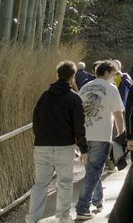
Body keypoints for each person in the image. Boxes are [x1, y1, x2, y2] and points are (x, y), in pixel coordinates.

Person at [26, 61, 87, 223]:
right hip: (64, 146)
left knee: (40, 184)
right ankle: (63, 217)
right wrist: (83, 148)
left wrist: (40, 138)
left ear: (57, 75)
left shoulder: (44, 96)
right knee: (65, 182)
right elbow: (79, 126)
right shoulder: (74, 98)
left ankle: (32, 218)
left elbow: (36, 121)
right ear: (73, 77)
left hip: (42, 146)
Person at [74, 61, 126, 220]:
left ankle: (97, 199)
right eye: (114, 73)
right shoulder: (110, 89)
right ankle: (82, 207)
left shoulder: (85, 87)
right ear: (106, 72)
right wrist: (121, 134)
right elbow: (118, 113)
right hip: (101, 134)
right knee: (95, 170)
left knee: (92, 169)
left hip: (84, 133)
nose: (115, 76)